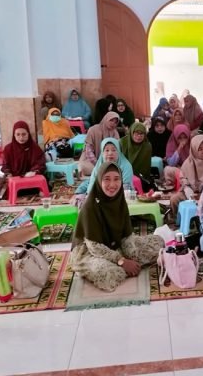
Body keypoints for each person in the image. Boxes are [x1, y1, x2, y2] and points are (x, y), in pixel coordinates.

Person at [70, 162, 163, 292]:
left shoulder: (120, 200)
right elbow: (94, 247)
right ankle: (118, 265)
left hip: (114, 245)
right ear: (99, 180)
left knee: (158, 243)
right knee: (108, 274)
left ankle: (126, 262)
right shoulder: (89, 207)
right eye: (107, 179)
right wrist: (122, 261)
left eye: (116, 179)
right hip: (88, 252)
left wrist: (132, 255)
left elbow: (126, 236)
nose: (112, 184)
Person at [170, 134, 203, 216]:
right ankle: (180, 219)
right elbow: (183, 178)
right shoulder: (188, 163)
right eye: (200, 149)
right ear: (194, 150)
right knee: (174, 199)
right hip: (192, 192)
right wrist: (188, 189)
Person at [79, 112, 120, 176]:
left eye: (115, 122)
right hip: (90, 161)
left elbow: (117, 150)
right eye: (111, 120)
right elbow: (88, 151)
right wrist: (98, 163)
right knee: (87, 168)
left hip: (107, 160)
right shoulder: (93, 129)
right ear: (106, 119)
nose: (113, 123)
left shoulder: (115, 133)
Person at [120, 122, 153, 191]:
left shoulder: (147, 146)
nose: (139, 136)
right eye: (136, 133)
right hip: (122, 175)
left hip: (140, 177)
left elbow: (146, 168)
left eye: (141, 134)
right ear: (132, 133)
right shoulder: (122, 142)